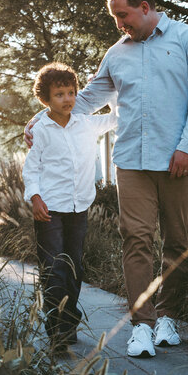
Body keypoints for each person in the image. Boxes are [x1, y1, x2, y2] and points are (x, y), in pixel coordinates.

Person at [25, 0, 188, 358]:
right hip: (131, 161)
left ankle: (167, 316)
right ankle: (141, 325)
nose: (119, 23)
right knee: (136, 239)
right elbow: (91, 95)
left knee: (176, 241)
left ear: (145, 7)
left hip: (177, 159)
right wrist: (41, 119)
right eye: (115, 16)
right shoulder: (117, 53)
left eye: (122, 15)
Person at [22, 63, 115, 352]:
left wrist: (109, 91)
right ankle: (56, 333)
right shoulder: (41, 129)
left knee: (74, 267)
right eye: (59, 94)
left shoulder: (87, 124)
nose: (67, 99)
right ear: (45, 99)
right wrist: (35, 197)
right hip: (49, 208)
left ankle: (68, 321)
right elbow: (31, 169)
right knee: (53, 268)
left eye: (72, 92)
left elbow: (119, 118)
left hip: (80, 207)